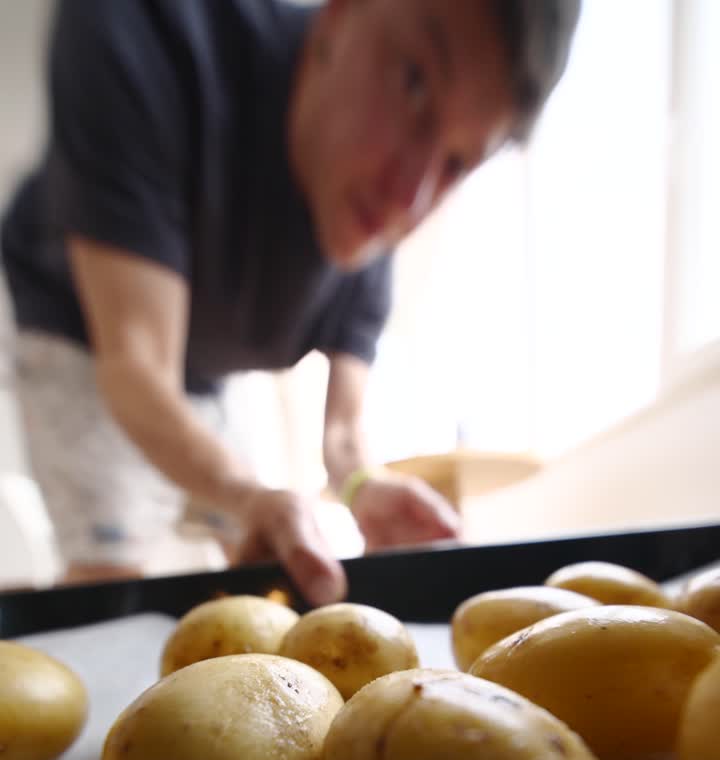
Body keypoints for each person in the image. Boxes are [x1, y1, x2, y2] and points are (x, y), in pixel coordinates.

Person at [0, 0, 580, 603]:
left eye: (457, 162)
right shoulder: (148, 30)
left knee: (257, 567)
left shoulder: (372, 242)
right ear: (339, 15)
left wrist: (362, 489)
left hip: (201, 374)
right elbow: (136, 362)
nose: (409, 198)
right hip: (83, 339)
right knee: (112, 576)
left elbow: (343, 437)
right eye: (413, 84)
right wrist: (244, 494)